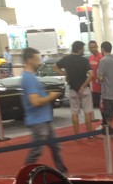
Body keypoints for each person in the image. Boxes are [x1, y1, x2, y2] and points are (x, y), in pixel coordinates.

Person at [20, 47, 68, 175]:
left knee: (55, 146)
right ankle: (25, 175)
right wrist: (51, 96)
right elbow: (35, 101)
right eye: (37, 59)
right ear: (29, 60)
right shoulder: (28, 78)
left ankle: (62, 171)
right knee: (37, 150)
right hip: (37, 120)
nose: (40, 62)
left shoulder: (30, 77)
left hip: (43, 119)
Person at [54, 41, 95, 137]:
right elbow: (91, 75)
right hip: (84, 89)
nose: (84, 50)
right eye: (83, 49)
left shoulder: (66, 59)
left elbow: (55, 67)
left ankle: (77, 136)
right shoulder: (84, 60)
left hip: (72, 89)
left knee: (74, 113)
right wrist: (83, 85)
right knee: (87, 112)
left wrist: (65, 74)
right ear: (79, 49)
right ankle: (90, 135)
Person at [87, 40, 103, 118]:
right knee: (95, 105)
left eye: (94, 47)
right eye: (91, 47)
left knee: (102, 106)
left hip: (101, 86)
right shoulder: (90, 58)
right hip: (93, 86)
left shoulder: (101, 57)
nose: (92, 49)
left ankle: (105, 123)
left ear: (97, 47)